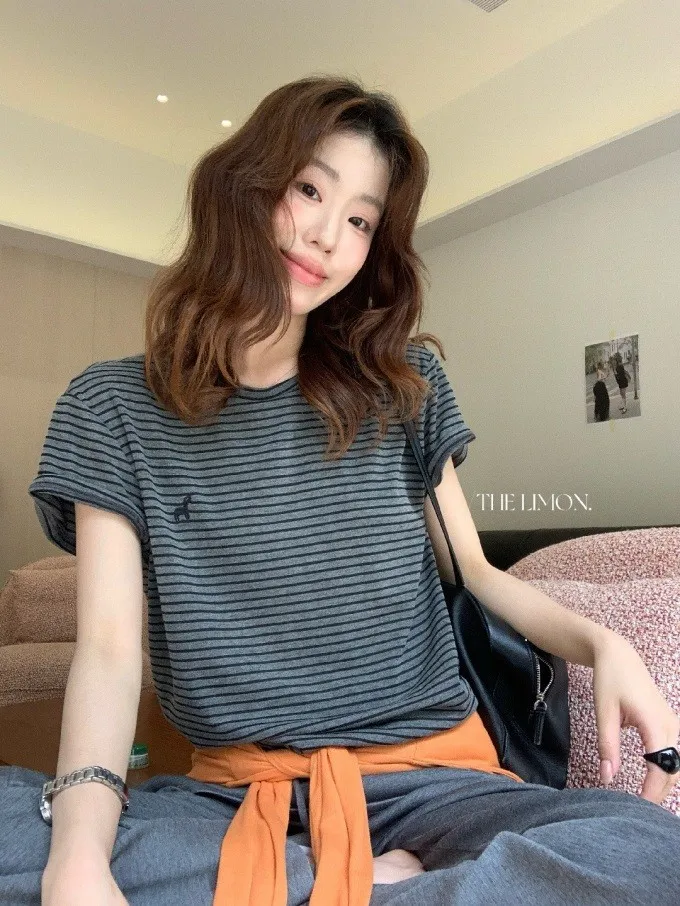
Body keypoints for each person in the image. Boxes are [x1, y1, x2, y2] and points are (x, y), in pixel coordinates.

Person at [1, 75, 678, 906]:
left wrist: (604, 645)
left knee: (650, 854)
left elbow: (475, 572)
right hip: (236, 796)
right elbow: (108, 651)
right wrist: (78, 860)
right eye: (310, 190)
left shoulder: (402, 386)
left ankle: (317, 884)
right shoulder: (111, 407)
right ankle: (359, 882)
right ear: (243, 187)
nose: (327, 236)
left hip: (433, 782)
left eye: (360, 220)